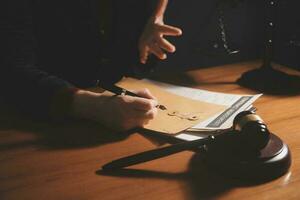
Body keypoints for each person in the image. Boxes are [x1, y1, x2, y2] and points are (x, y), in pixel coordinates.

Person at [0, 0, 182, 131]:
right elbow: (11, 73)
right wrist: (94, 107)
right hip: (38, 122)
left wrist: (156, 15)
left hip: (111, 119)